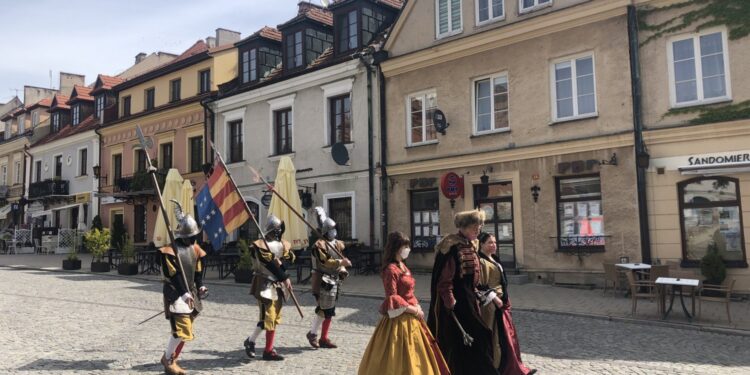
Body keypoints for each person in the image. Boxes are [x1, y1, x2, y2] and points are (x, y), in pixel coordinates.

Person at [358, 232, 450, 375]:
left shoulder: (402, 265)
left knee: (418, 354)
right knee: (397, 355)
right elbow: (392, 297)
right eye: (405, 246)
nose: (408, 249)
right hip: (399, 318)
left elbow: (409, 292)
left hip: (412, 315)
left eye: (408, 245)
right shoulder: (390, 269)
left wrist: (417, 305)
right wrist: (414, 309)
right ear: (396, 247)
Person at [427, 209, 498, 375]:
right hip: (458, 303)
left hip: (470, 299)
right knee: (471, 339)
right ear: (465, 227)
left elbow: (474, 276)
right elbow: (444, 281)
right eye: (475, 226)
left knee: (476, 338)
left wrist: (477, 292)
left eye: (479, 226)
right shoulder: (450, 246)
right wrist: (450, 302)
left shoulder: (470, 244)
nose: (478, 229)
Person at [159, 201, 208, 375]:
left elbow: (197, 272)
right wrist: (184, 293)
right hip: (176, 293)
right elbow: (173, 275)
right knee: (181, 329)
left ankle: (172, 360)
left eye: (195, 235)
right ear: (183, 235)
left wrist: (200, 286)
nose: (194, 239)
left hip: (190, 293)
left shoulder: (195, 249)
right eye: (191, 236)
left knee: (184, 330)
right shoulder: (170, 251)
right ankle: (168, 359)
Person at [477, 232, 536, 375]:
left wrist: (505, 298)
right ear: (481, 244)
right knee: (497, 337)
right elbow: (480, 285)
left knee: (507, 336)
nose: (494, 245)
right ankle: (497, 368)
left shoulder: (494, 258)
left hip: (501, 303)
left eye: (495, 242)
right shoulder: (480, 261)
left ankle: (512, 367)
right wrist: (495, 298)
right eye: (490, 243)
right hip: (491, 306)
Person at [243, 215, 296, 361]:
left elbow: (290, 259)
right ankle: (258, 345)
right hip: (264, 282)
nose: (279, 232)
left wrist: (283, 266)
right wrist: (284, 277)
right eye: (278, 230)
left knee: (273, 318)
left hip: (277, 283)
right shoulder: (260, 245)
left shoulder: (282, 244)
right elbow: (269, 264)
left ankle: (259, 346)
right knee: (268, 316)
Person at [305, 206, 352, 349]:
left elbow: (339, 255)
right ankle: (312, 334)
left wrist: (342, 268)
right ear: (326, 231)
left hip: (334, 279)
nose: (334, 231)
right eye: (331, 229)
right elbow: (325, 262)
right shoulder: (318, 245)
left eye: (335, 229)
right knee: (323, 309)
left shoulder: (335, 243)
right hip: (322, 279)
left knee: (330, 310)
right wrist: (341, 263)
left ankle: (324, 338)